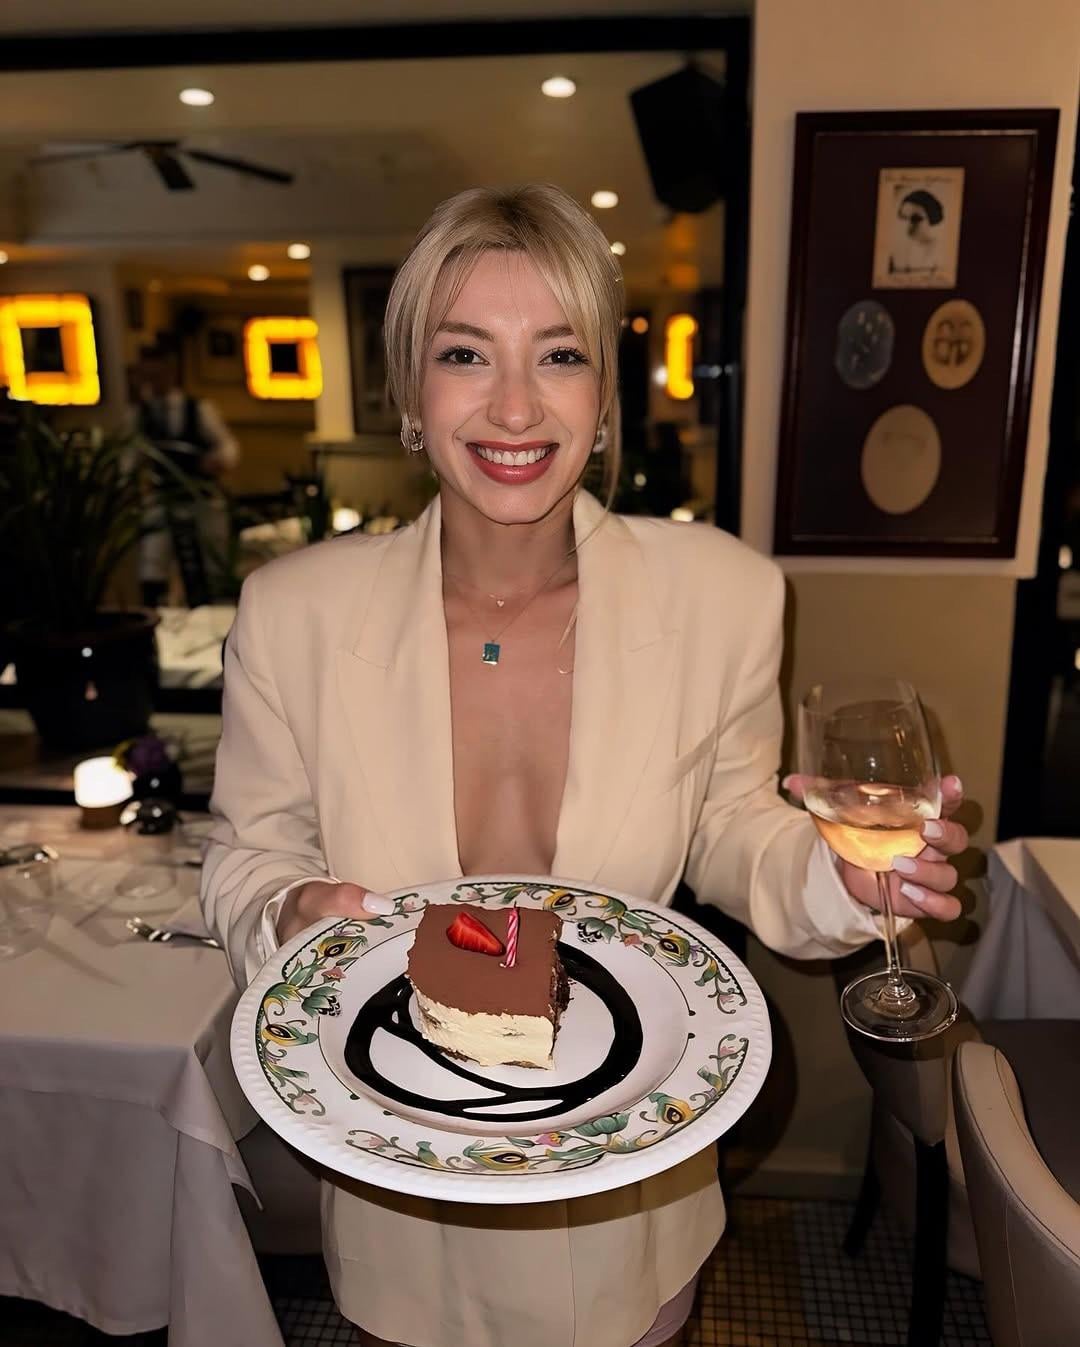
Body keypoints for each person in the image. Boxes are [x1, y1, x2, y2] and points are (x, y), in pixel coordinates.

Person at [201, 184, 966, 1347]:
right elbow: (244, 857)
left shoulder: (723, 596)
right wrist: (289, 908)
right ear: (410, 391)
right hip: (403, 1177)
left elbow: (734, 828)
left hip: (629, 1191)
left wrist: (841, 877)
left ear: (605, 396)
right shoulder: (292, 613)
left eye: (559, 355)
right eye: (466, 353)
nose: (515, 404)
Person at [128, 340, 240, 606]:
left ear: (170, 371)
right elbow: (128, 458)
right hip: (161, 496)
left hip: (199, 494)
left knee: (209, 562)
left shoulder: (198, 409)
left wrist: (215, 461)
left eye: (158, 373)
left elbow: (229, 447)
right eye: (148, 374)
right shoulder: (140, 414)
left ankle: (208, 608)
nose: (153, 380)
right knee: (153, 561)